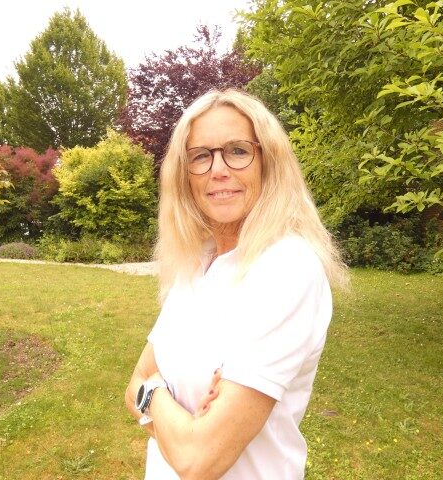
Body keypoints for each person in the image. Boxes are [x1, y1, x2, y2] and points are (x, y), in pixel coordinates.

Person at [125, 88, 347, 480]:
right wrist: (165, 405)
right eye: (200, 156)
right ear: (184, 175)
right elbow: (135, 381)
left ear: (268, 163)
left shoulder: (287, 268)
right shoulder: (197, 261)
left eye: (238, 151)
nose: (218, 169)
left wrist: (152, 395)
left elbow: (198, 460)